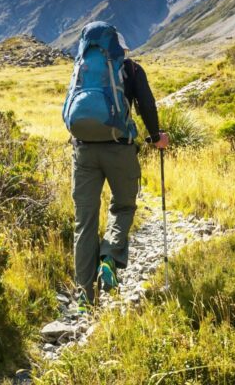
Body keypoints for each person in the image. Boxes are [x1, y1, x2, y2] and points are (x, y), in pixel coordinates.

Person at [62, 22, 169, 308]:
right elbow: (147, 105)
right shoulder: (131, 69)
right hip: (119, 149)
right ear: (119, 48)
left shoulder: (81, 69)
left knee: (84, 222)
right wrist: (156, 137)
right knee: (123, 206)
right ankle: (109, 256)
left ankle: (86, 297)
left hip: (83, 150)